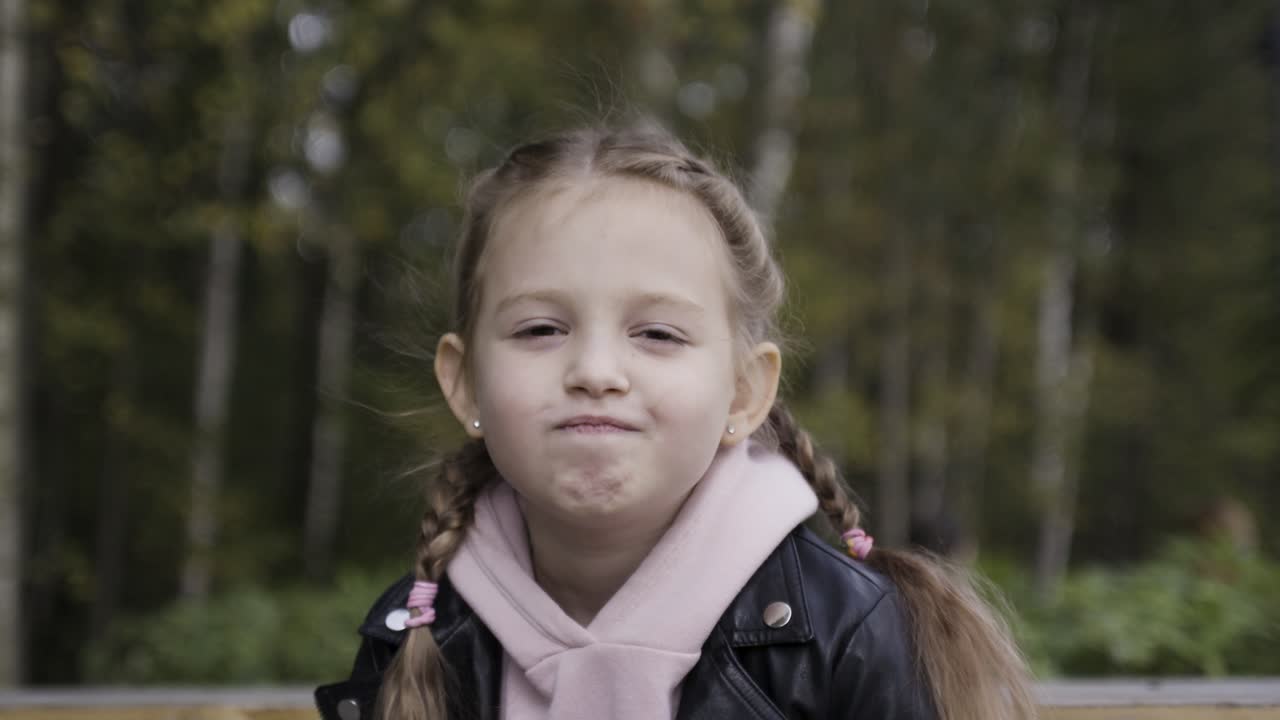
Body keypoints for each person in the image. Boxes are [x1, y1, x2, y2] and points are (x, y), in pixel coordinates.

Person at [314, 123, 1036, 720]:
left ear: (744, 393)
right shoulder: (415, 633)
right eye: (540, 329)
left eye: (657, 334)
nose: (596, 371)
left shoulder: (849, 637)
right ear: (465, 382)